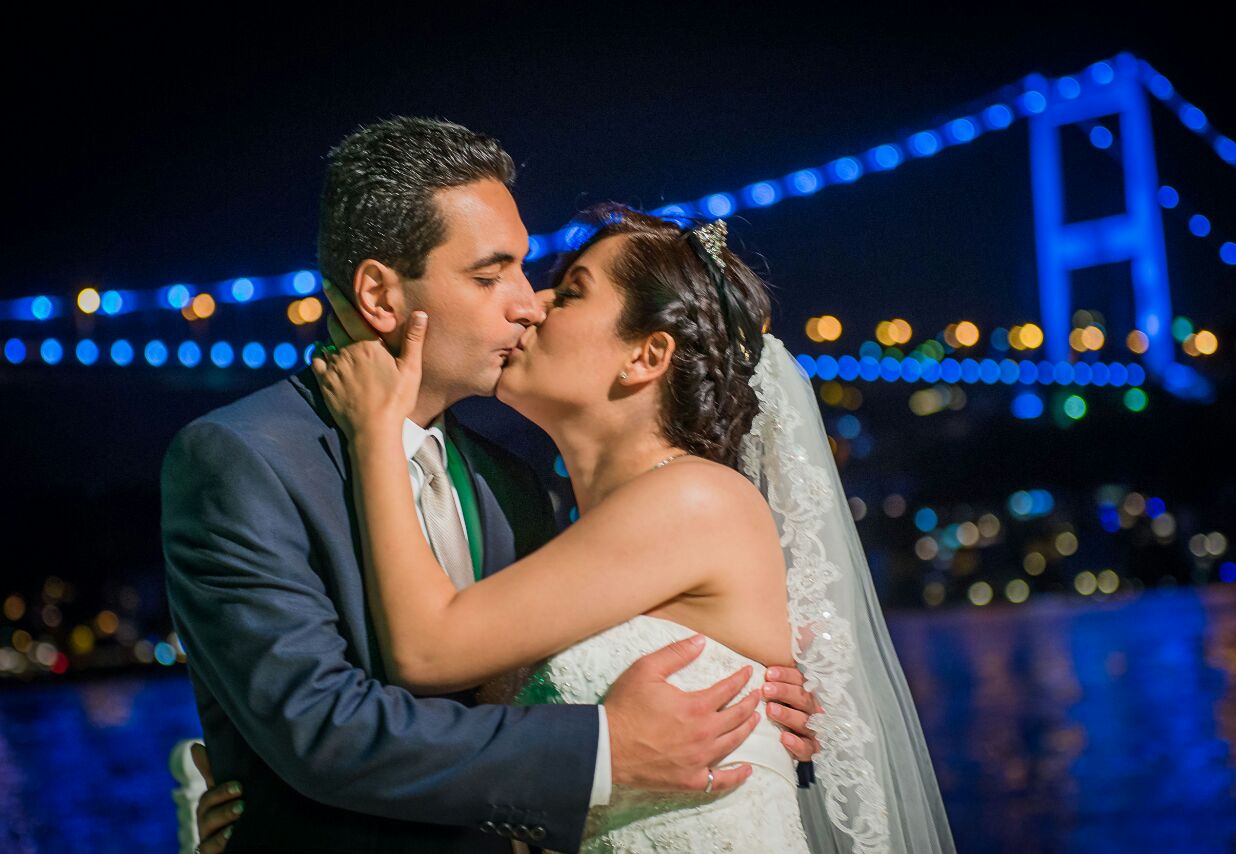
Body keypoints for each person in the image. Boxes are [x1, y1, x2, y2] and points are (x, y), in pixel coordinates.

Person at [194, 203, 958, 851]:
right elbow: (492, 760)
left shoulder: (696, 501)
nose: (531, 305)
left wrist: (375, 433)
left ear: (645, 356)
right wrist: (287, 826)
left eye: (570, 293)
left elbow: (427, 648)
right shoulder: (547, 523)